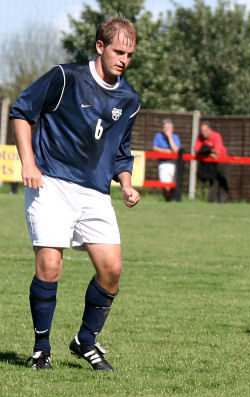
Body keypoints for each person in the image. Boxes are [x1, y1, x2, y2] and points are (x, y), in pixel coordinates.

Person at [11, 14, 140, 371]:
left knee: (111, 270)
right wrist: (29, 163)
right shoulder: (65, 77)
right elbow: (21, 112)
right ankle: (41, 348)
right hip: (50, 182)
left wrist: (126, 183)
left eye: (130, 55)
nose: (123, 60)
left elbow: (120, 151)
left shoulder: (129, 99)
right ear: (100, 47)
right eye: (118, 52)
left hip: (95, 193)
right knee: (50, 264)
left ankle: (85, 340)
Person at [195, 121, 229, 203]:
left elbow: (217, 152)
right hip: (211, 162)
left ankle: (223, 202)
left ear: (210, 129)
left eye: (205, 131)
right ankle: (211, 202)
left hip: (222, 160)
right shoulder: (200, 137)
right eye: (202, 130)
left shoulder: (216, 136)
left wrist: (207, 150)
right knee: (212, 181)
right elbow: (196, 150)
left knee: (222, 180)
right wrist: (210, 152)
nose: (203, 133)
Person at [151, 118, 181, 201]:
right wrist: (167, 151)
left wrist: (169, 137)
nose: (166, 129)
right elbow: (155, 148)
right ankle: (167, 199)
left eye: (168, 128)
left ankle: (169, 200)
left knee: (172, 185)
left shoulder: (175, 137)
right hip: (163, 163)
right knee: (165, 185)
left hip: (174, 163)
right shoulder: (158, 136)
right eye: (165, 127)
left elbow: (175, 150)